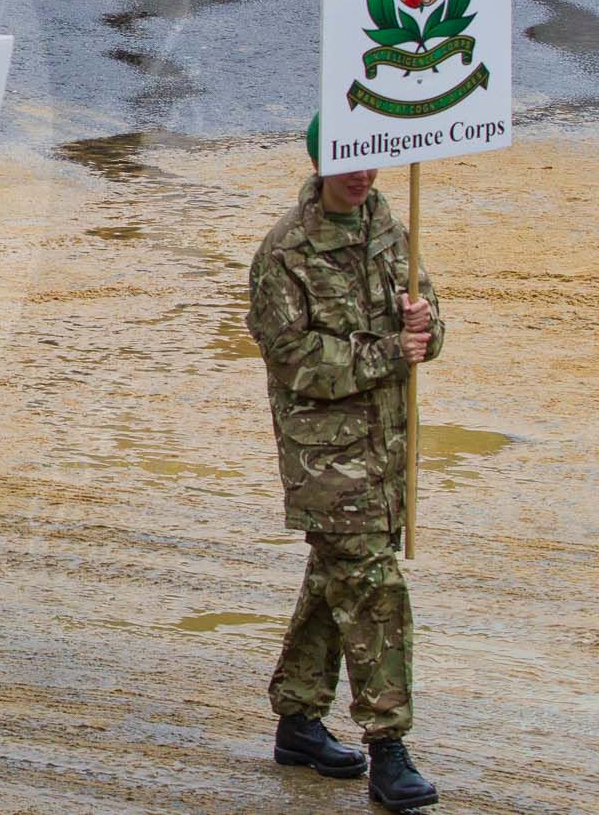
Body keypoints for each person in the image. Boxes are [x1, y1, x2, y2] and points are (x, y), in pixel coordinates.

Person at [244, 116, 443, 814]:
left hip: (387, 452)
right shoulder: (284, 254)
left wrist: (427, 328)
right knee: (373, 588)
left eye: (373, 163)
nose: (364, 177)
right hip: (327, 461)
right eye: (351, 164)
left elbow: (425, 310)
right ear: (321, 164)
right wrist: (392, 352)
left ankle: (298, 722)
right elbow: (296, 362)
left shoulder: (388, 224)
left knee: (338, 577)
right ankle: (389, 745)